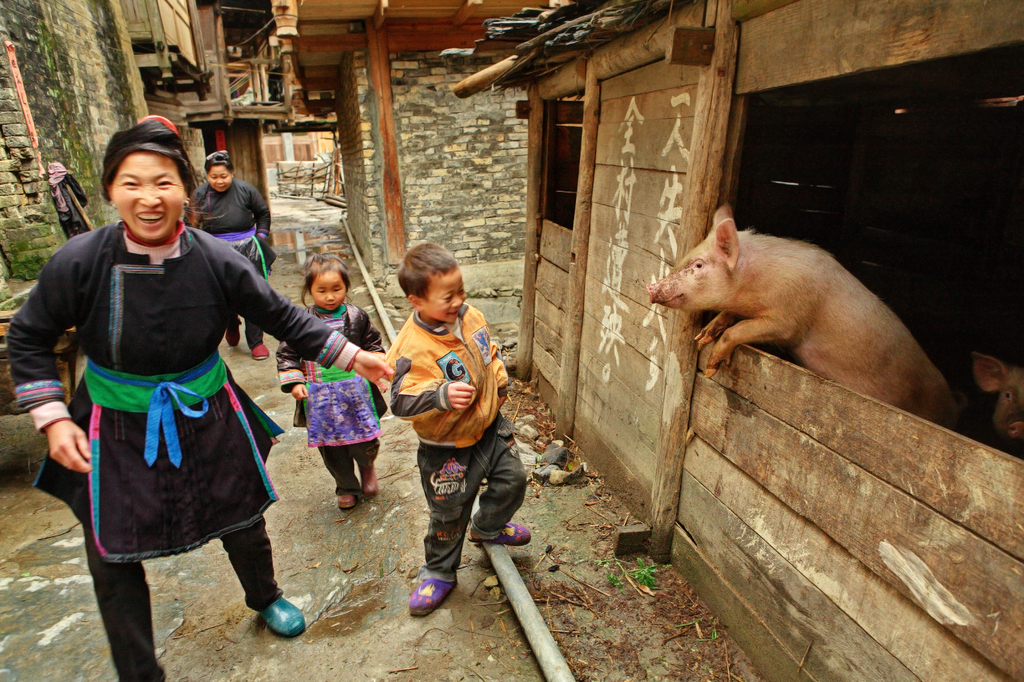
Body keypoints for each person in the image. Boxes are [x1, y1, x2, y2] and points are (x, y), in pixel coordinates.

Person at [6, 116, 393, 682]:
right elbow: (29, 335)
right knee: (110, 546)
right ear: (111, 189)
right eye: (132, 183)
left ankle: (265, 597)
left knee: (242, 516)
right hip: (112, 423)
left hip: (208, 408)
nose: (149, 197)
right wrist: (52, 417)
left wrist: (354, 356)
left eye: (163, 182)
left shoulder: (216, 258)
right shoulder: (80, 261)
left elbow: (284, 317)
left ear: (183, 191)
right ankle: (139, 670)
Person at [385, 243, 529, 616]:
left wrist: (500, 381)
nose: (459, 301)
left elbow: (489, 350)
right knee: (448, 513)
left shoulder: (471, 316)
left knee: (514, 479)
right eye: (447, 297)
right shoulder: (412, 346)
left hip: (489, 427)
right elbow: (399, 401)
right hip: (445, 447)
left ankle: (487, 526)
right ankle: (438, 571)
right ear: (416, 301)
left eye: (460, 291)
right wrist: (440, 395)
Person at [276, 254, 386, 511]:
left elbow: (373, 343)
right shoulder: (301, 322)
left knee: (364, 439)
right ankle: (346, 486)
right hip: (320, 398)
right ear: (309, 290)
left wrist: (376, 362)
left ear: (346, 286)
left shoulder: (357, 316)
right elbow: (287, 353)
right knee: (331, 447)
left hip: (356, 393)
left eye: (336, 289)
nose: (330, 296)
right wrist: (295, 382)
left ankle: (367, 467)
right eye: (321, 290)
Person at [191, 151, 276, 360]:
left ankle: (256, 341)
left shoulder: (246, 189)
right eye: (214, 177)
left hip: (248, 246)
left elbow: (263, 213)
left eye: (224, 176)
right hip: (216, 248)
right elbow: (189, 222)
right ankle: (231, 323)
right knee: (222, 293)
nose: (219, 181)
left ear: (232, 173)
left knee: (252, 292)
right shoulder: (200, 194)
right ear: (207, 176)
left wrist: (260, 237)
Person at [47, 162, 91, 238]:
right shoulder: (57, 183)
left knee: (78, 223)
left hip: (72, 208)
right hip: (68, 210)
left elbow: (77, 191)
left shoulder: (67, 179)